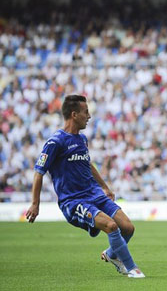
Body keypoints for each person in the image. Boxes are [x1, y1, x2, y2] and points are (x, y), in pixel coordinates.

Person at [25, 95, 145, 278]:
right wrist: (35, 203)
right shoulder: (55, 142)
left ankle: (112, 255)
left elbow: (87, 164)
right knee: (111, 226)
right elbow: (38, 172)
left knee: (128, 227)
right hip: (73, 200)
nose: (89, 116)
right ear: (74, 115)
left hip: (94, 194)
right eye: (86, 112)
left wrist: (104, 186)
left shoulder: (81, 140)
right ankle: (132, 268)